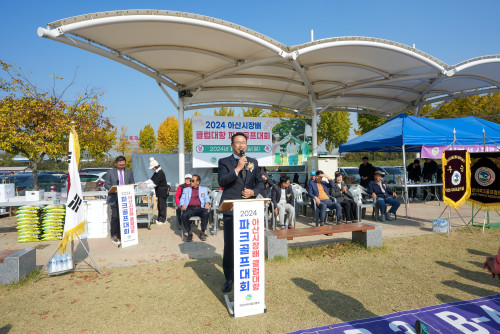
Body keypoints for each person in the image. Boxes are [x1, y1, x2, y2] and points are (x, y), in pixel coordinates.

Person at [218, 132, 263, 293]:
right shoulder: (224, 162)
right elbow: (222, 181)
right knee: (230, 245)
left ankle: (248, 274)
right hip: (231, 209)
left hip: (249, 209)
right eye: (238, 142)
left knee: (248, 244)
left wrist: (253, 192)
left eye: (243, 142)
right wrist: (237, 168)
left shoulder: (253, 162)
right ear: (232, 145)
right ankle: (229, 277)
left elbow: (260, 184)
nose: (241, 145)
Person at [104, 156, 135, 247]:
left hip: (125, 197)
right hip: (114, 197)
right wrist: (112, 189)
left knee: (125, 216)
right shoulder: (110, 172)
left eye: (123, 165)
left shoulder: (129, 172)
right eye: (120, 165)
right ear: (116, 164)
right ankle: (115, 234)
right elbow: (106, 184)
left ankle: (124, 235)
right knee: (115, 217)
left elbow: (132, 182)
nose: (122, 166)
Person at [180, 174, 211, 242]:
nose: (191, 182)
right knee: (184, 215)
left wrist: (207, 203)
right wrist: (182, 205)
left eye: (193, 181)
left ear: (198, 182)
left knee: (206, 214)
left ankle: (202, 232)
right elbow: (182, 199)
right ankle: (189, 233)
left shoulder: (203, 189)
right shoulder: (186, 190)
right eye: (191, 180)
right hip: (190, 208)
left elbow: (207, 198)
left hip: (200, 208)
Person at [142, 157, 169, 225]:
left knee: (162, 205)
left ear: (155, 167)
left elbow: (154, 183)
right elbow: (151, 180)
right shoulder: (157, 172)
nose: (152, 169)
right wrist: (144, 182)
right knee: (159, 205)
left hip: (162, 191)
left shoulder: (160, 173)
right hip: (159, 191)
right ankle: (160, 218)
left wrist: (146, 186)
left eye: (152, 168)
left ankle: (162, 219)